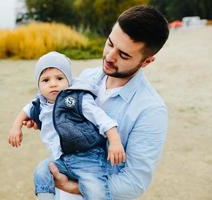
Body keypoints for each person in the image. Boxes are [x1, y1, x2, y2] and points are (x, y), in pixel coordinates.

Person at [24, 5, 170, 200]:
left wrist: (72, 187)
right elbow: (68, 115)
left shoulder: (151, 110)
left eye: (124, 55)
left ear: (146, 61)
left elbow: (134, 183)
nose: (109, 57)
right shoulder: (87, 76)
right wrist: (45, 119)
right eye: (110, 43)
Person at [9, 51, 126, 200]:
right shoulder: (40, 103)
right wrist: (16, 127)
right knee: (42, 170)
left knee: (96, 190)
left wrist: (115, 141)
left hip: (88, 159)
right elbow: (25, 111)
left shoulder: (77, 99)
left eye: (59, 78)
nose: (53, 84)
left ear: (68, 80)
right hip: (62, 159)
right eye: (45, 80)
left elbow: (103, 119)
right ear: (38, 85)